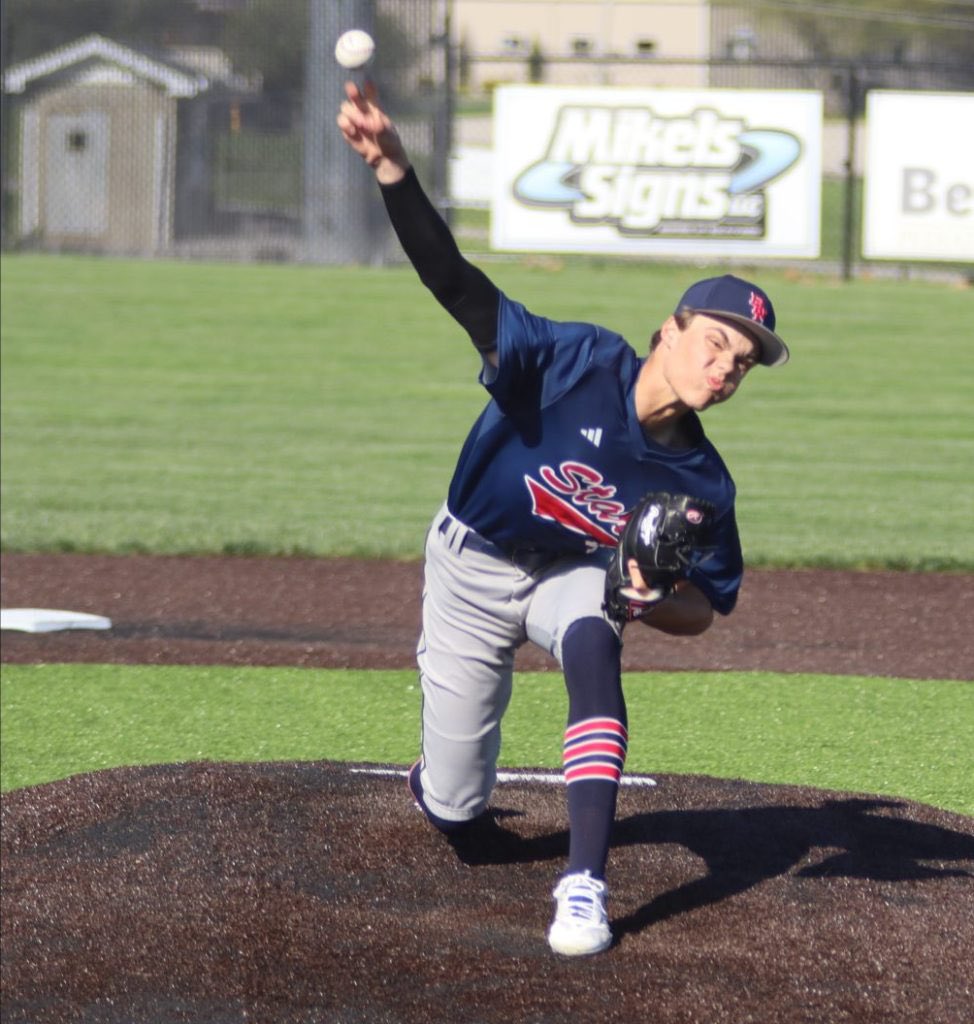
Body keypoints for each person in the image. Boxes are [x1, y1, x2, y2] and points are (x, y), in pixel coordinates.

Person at [337, 81, 789, 957]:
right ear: (670, 328)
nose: (726, 367)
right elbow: (456, 285)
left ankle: (583, 883)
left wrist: (647, 594)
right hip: (472, 563)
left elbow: (706, 609)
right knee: (457, 811)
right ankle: (441, 785)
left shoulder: (703, 482)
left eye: (743, 363)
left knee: (596, 634)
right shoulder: (571, 360)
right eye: (716, 342)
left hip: (570, 573)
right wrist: (394, 170)